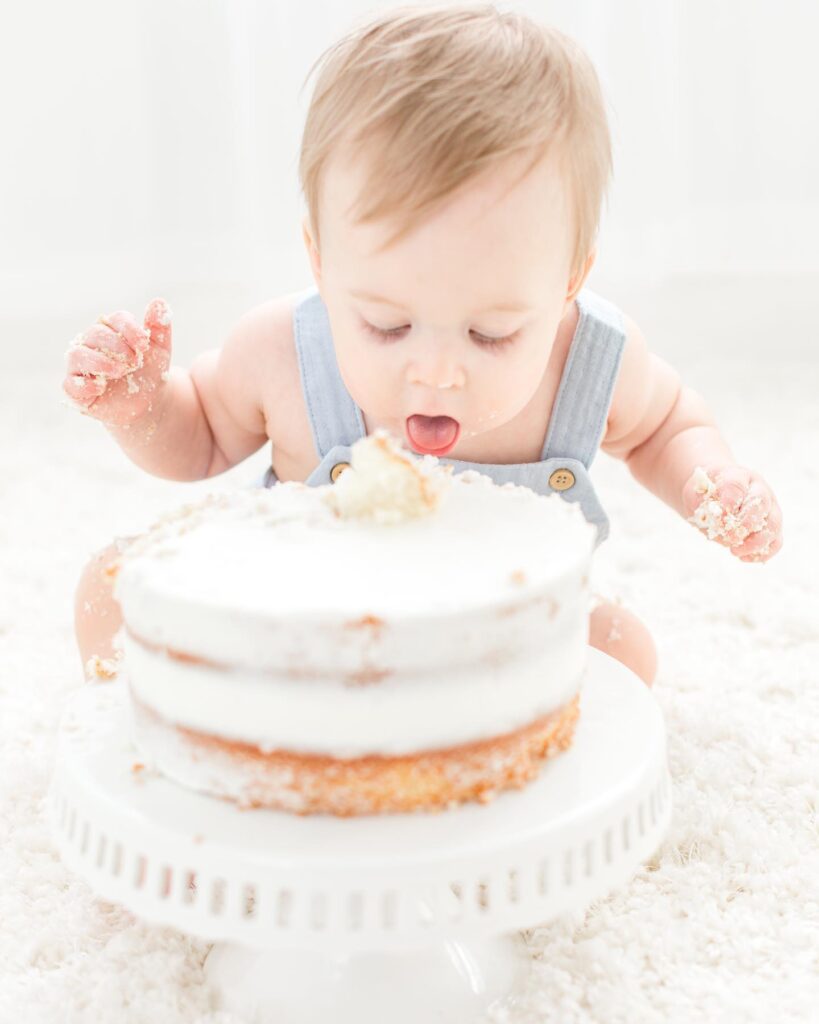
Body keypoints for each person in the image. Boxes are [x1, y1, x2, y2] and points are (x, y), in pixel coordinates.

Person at [63, 3, 782, 688]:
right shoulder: (283, 350)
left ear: (568, 280)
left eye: (490, 334)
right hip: (290, 619)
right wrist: (143, 408)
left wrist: (708, 481)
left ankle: (491, 744)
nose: (437, 370)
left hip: (496, 636)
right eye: (386, 325)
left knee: (623, 652)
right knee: (111, 588)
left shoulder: (590, 361)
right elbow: (199, 441)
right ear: (321, 261)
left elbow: (665, 425)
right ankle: (216, 718)